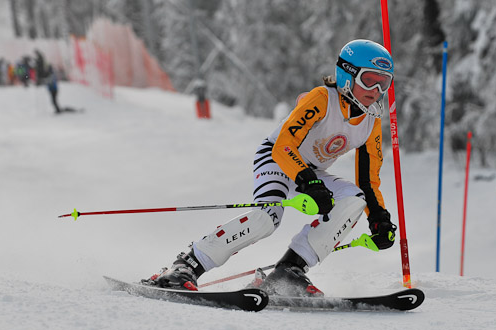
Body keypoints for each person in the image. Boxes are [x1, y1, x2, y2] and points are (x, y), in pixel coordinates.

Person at [144, 39, 397, 296]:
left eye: (384, 83)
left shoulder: (371, 122)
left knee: (354, 198)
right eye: (369, 80)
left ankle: (288, 273)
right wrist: (308, 181)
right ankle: (186, 265)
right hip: (278, 159)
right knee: (267, 218)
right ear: (347, 75)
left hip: (312, 172)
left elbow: (368, 181)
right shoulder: (321, 99)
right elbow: (284, 145)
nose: (376, 90)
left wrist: (378, 218)